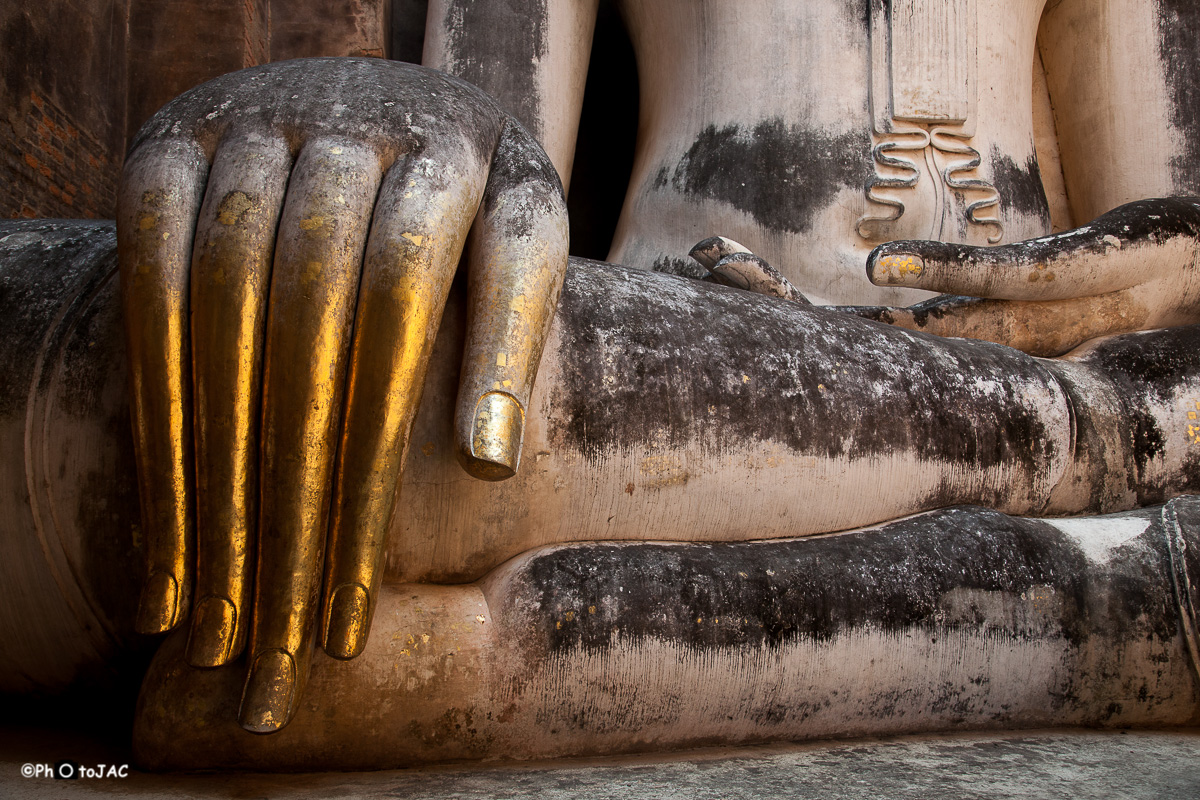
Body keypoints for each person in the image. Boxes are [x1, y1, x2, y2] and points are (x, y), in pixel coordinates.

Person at [5, 0, 1200, 758]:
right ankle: (1110, 550)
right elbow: (485, 137)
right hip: (679, 346)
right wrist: (388, 112)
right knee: (335, 350)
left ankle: (1107, 526)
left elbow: (1176, 222)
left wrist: (1172, 259)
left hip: (1058, 364)